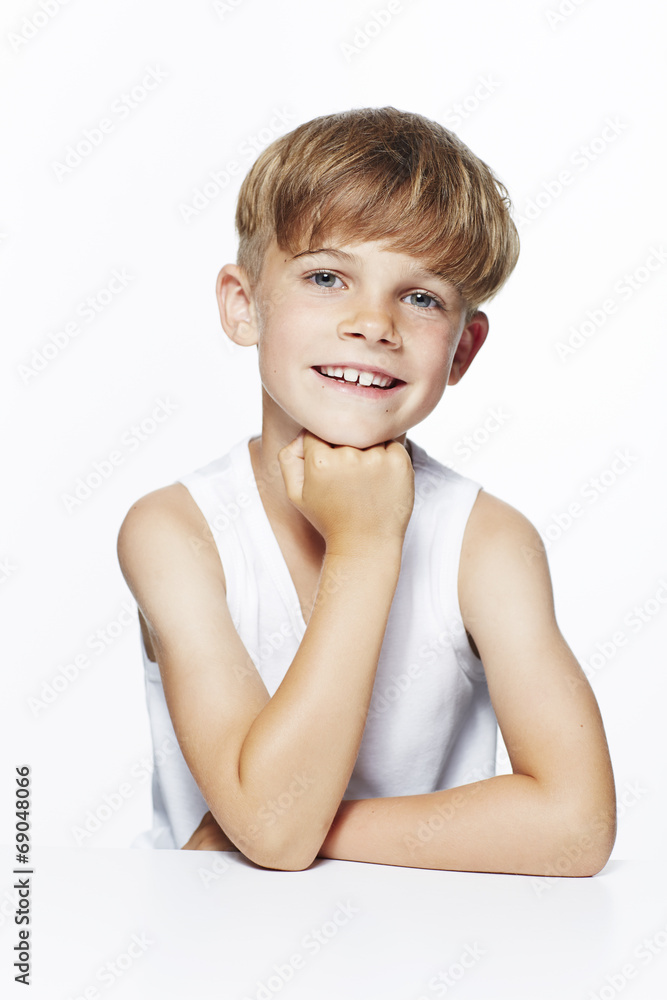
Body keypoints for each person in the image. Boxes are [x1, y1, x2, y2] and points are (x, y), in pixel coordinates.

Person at [117, 106, 616, 874]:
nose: (372, 323)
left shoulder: (487, 544)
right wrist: (365, 542)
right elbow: (276, 837)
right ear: (243, 304)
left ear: (462, 347)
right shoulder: (174, 532)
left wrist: (287, 824)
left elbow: (575, 827)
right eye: (325, 277)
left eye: (421, 298)